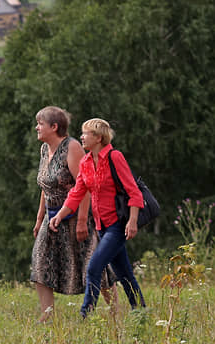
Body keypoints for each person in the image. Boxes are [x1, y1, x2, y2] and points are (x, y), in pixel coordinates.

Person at [49, 118, 146, 318]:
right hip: (101, 226)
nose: (82, 137)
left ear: (99, 138)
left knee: (94, 267)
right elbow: (77, 193)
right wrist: (59, 215)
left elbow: (133, 191)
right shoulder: (85, 162)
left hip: (117, 225)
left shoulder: (114, 157)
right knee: (124, 274)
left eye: (86, 134)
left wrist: (133, 220)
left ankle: (86, 314)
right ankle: (141, 312)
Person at [30, 106, 116, 322]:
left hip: (77, 215)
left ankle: (115, 312)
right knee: (40, 262)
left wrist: (81, 221)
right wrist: (40, 217)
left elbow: (84, 185)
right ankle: (47, 315)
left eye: (40, 124)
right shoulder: (44, 150)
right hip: (52, 217)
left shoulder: (72, 147)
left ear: (54, 126)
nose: (36, 128)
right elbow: (45, 186)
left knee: (93, 266)